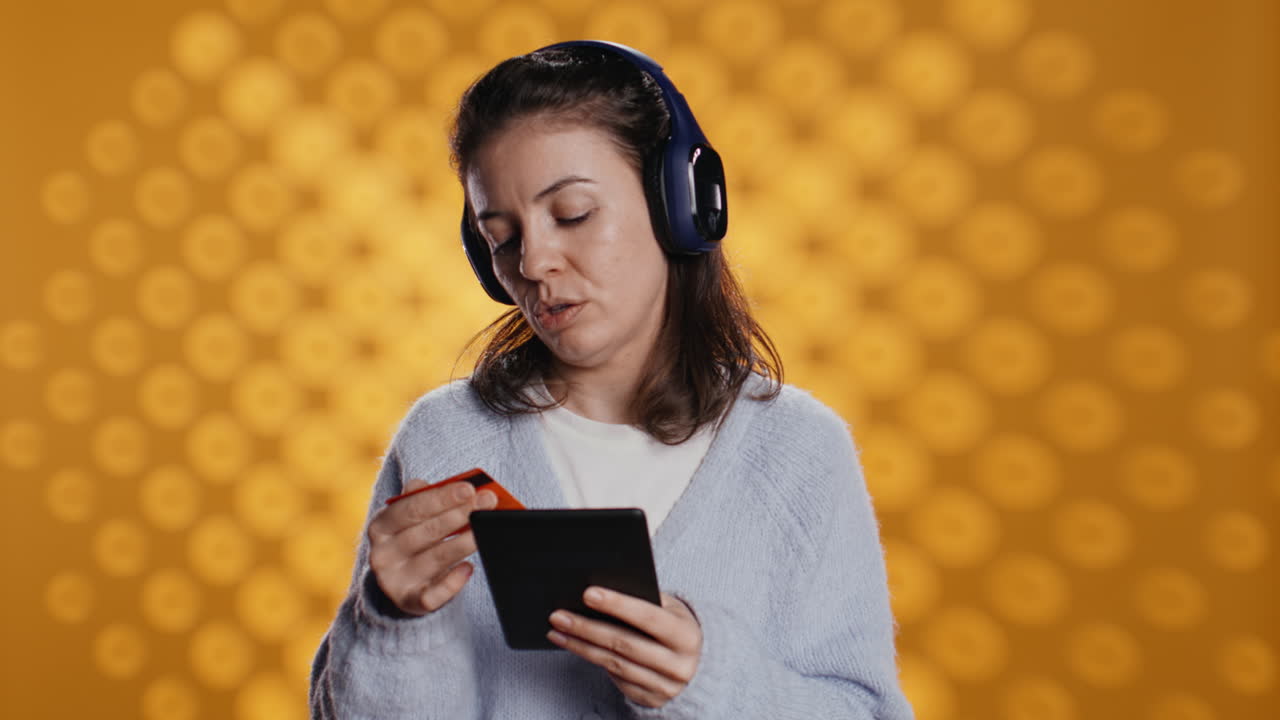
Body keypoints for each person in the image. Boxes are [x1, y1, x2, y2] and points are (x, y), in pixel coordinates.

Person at [310, 40, 914, 720]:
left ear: (679, 203)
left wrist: (713, 686)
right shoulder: (445, 440)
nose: (533, 262)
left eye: (572, 213)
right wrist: (391, 623)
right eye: (501, 236)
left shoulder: (800, 452)